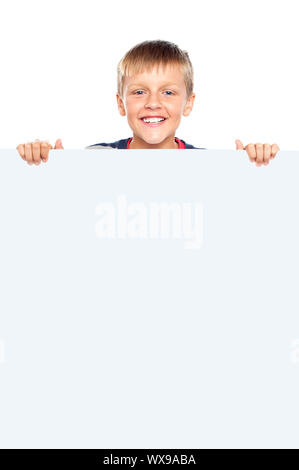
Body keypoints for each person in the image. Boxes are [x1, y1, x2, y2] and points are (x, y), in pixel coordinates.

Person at [16, 39, 280, 166]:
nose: (153, 103)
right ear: (121, 104)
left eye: (168, 92)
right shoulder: (95, 160)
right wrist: (46, 166)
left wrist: (254, 166)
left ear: (188, 104)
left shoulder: (207, 167)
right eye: (140, 92)